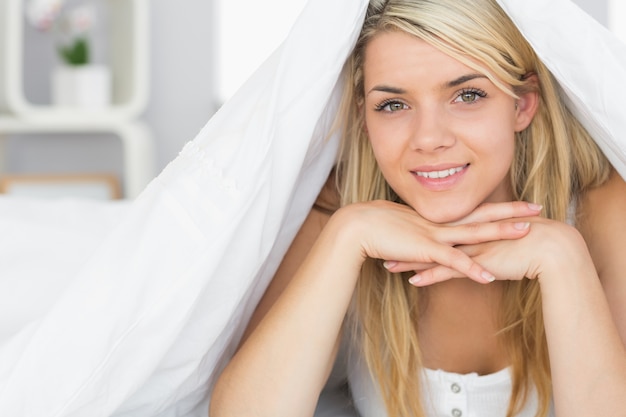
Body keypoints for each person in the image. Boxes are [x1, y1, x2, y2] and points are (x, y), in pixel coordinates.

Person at [209, 0, 626, 416]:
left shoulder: (600, 205)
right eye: (393, 105)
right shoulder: (338, 207)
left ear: (521, 104)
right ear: (364, 117)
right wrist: (346, 236)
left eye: (467, 95)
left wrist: (564, 259)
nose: (428, 138)